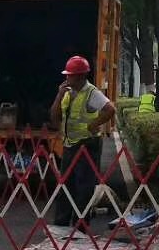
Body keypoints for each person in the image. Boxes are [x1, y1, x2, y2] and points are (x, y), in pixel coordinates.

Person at [49, 56, 117, 225]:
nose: (67, 78)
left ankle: (81, 224)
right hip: (70, 144)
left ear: (80, 76)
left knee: (84, 187)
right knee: (66, 185)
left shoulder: (92, 93)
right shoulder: (67, 93)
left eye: (70, 75)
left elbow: (110, 109)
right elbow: (54, 116)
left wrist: (93, 125)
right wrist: (59, 96)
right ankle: (61, 223)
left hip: (87, 144)